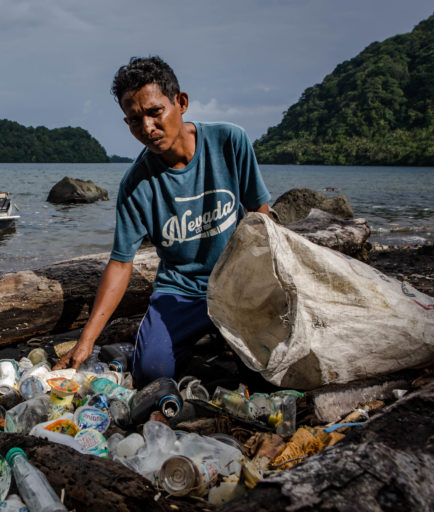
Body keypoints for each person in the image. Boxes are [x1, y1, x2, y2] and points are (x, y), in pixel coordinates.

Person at [53, 56, 272, 387]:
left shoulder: (230, 142)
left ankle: (219, 340)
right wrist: (85, 342)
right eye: (135, 120)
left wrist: (263, 284)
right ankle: (189, 341)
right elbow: (121, 264)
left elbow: (260, 216)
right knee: (151, 374)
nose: (148, 128)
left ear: (180, 103)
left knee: (267, 371)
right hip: (181, 291)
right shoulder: (136, 185)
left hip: (235, 283)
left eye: (155, 112)